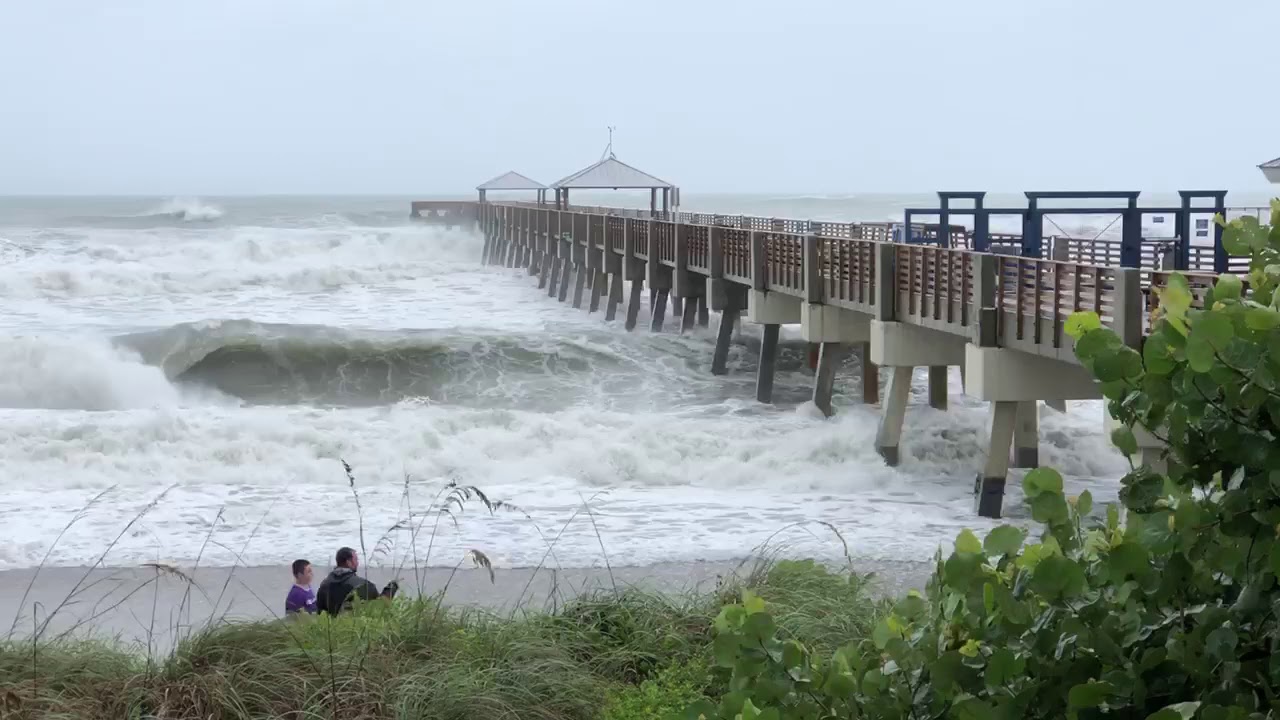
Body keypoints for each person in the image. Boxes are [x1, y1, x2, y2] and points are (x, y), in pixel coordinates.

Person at [315, 547, 398, 615]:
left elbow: (319, 611)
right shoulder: (362, 585)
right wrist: (391, 588)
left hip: (329, 629)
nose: (358, 563)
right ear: (348, 562)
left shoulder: (324, 584)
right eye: (356, 560)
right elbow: (380, 606)